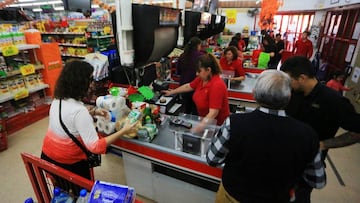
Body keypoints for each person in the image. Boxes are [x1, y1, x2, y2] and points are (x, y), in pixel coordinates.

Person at [207, 70, 325, 203]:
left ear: (255, 94)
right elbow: (317, 180)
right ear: (289, 96)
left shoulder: (234, 123)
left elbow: (213, 159)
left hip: (233, 196)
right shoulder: (308, 135)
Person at [281, 56, 360, 203]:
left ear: (302, 78)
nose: (286, 84)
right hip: (285, 161)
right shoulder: (293, 93)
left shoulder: (333, 101)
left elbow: (357, 132)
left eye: (289, 79)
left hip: (306, 167)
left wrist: (323, 145)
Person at [41, 60, 136, 180]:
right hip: (68, 163)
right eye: (90, 79)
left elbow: (68, 120)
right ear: (80, 82)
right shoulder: (79, 111)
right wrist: (124, 130)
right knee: (80, 196)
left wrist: (93, 112)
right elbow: (95, 146)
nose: (93, 84)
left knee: (62, 193)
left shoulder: (57, 100)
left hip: (48, 157)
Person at [164, 53, 230, 126]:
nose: (196, 74)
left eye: (199, 71)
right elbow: (188, 86)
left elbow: (213, 113)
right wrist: (172, 92)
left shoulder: (217, 85)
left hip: (217, 126)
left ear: (208, 70)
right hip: (205, 121)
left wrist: (198, 127)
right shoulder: (202, 79)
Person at [176, 37, 204, 115]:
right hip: (196, 86)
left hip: (183, 85)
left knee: (186, 109)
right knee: (196, 109)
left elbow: (178, 71)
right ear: (198, 45)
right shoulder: (201, 56)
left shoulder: (182, 55)